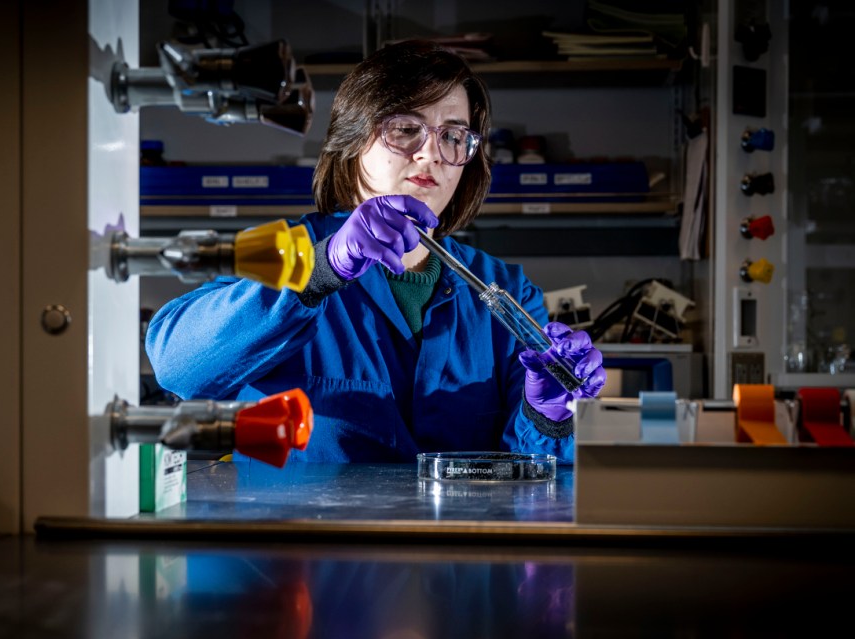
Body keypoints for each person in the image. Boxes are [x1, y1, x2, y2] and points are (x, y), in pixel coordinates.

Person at [145, 39, 605, 463]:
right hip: (300, 547)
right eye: (406, 129)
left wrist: (548, 414)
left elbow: (533, 476)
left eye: (452, 136)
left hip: (455, 547)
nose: (430, 155)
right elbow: (177, 366)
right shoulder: (288, 252)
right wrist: (321, 269)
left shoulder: (505, 290)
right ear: (352, 141)